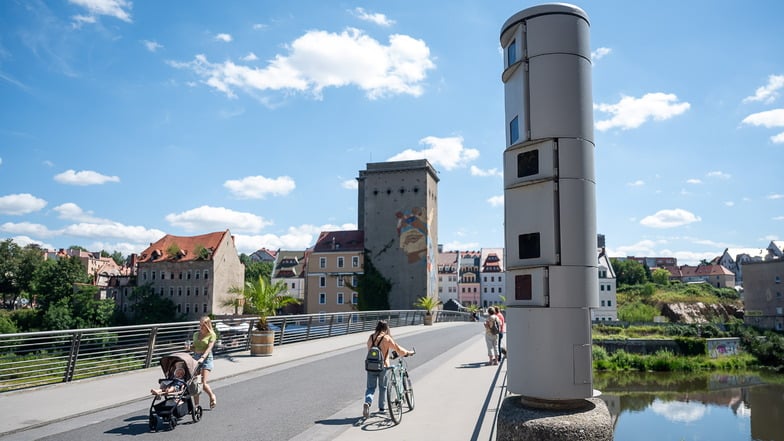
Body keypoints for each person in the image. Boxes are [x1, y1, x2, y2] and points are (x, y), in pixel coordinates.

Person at [362, 320, 412, 418]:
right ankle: (381, 408)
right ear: (386, 328)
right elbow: (398, 349)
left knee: (370, 388)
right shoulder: (386, 338)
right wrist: (407, 352)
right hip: (383, 366)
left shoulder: (371, 337)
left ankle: (367, 402)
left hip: (371, 367)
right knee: (383, 388)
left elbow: (370, 350)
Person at [188, 316, 217, 409]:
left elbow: (209, 348)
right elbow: (194, 347)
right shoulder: (196, 334)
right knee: (194, 383)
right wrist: (189, 348)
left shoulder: (212, 335)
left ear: (207, 325)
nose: (200, 327)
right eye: (200, 324)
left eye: (203, 325)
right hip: (196, 357)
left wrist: (203, 357)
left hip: (206, 358)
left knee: (204, 383)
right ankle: (196, 406)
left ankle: (212, 395)